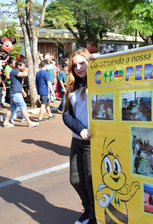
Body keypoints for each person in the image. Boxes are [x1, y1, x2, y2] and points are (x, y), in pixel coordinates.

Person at [62, 47, 97, 224]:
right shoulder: (72, 86)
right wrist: (80, 129)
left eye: (82, 63)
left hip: (94, 143)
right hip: (78, 140)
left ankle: (94, 216)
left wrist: (100, 62)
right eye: (74, 65)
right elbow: (66, 115)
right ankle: (88, 210)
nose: (79, 68)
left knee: (91, 181)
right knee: (76, 180)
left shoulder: (99, 81)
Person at [2, 60, 39, 128]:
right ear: (18, 66)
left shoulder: (16, 72)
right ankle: (29, 123)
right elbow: (24, 74)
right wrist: (26, 69)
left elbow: (18, 83)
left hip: (16, 92)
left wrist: (23, 91)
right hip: (16, 94)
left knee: (11, 108)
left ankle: (6, 122)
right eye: (22, 66)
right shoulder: (14, 71)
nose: (23, 67)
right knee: (23, 107)